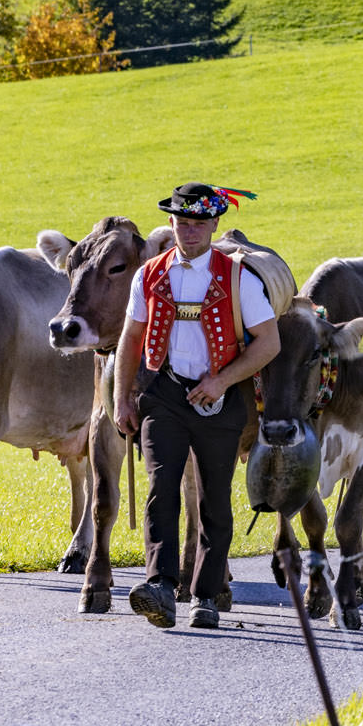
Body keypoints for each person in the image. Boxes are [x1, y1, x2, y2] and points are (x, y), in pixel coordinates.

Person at [113, 184, 279, 630]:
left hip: (220, 399)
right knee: (160, 488)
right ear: (171, 224)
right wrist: (122, 397)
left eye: (199, 224)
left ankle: (205, 594)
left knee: (214, 499)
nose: (190, 231)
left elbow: (269, 342)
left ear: (214, 224)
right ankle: (160, 587)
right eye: (182, 223)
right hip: (163, 393)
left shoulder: (239, 279)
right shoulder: (148, 275)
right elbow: (131, 337)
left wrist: (221, 380)